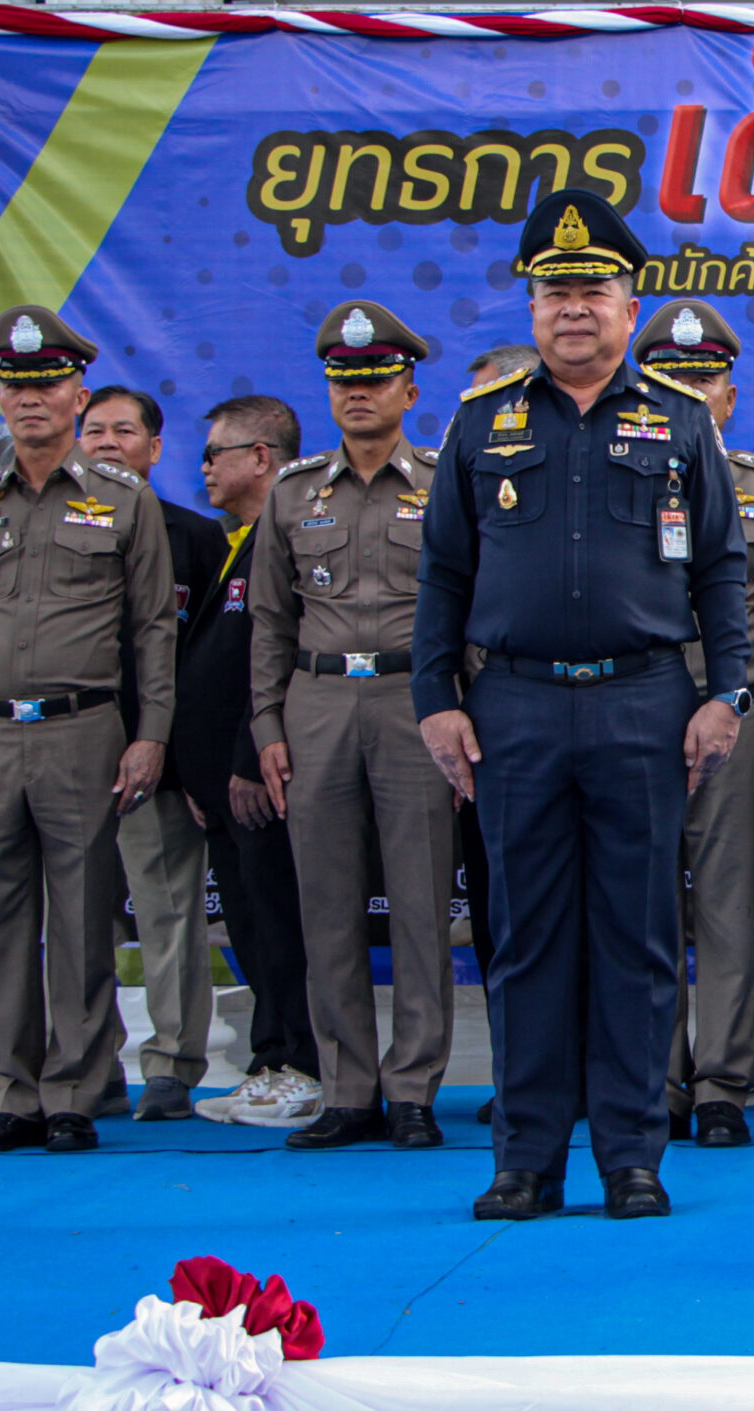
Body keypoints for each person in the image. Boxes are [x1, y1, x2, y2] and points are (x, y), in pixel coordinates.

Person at [414, 187, 749, 1222]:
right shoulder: (482, 423)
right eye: (555, 291)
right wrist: (434, 697)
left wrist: (726, 693)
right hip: (513, 707)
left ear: (628, 304)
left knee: (638, 941)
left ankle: (632, 1156)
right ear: (531, 308)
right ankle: (525, 1158)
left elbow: (722, 569)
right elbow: (442, 573)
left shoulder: (680, 421)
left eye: (594, 289)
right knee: (524, 941)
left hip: (644, 703)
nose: (574, 307)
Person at [0, 304, 176, 1153]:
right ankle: (13, 1093)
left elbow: (152, 630)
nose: (31, 399)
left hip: (83, 729)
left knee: (81, 916)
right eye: (16, 386)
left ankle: (76, 1089)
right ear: (0, 397)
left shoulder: (124, 501)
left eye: (48, 383)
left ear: (78, 396)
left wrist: (151, 732)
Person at [248, 302, 456, 1152]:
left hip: (414, 700)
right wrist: (267, 723)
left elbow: (472, 606)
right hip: (319, 700)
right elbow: (269, 619)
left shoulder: (446, 483)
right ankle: (347, 1089)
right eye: (344, 379)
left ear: (409, 389)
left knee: (420, 904)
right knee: (327, 905)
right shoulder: (293, 491)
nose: (358, 392)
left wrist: (460, 710)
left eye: (375, 378)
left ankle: (412, 1088)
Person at [634, 299, 754, 1149]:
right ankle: (658, 1080)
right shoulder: (604, 474)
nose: (690, 393)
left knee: (731, 909)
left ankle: (722, 1085)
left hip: (741, 718)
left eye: (704, 379)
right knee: (641, 909)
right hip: (631, 714)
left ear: (730, 395)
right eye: (671, 379)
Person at [78, 386, 224, 1123]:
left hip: (157, 763)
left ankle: (171, 1066)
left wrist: (186, 757)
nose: (107, 442)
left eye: (124, 431)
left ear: (155, 448)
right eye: (94, 430)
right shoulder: (49, 525)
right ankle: (88, 1066)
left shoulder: (194, 536)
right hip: (67, 756)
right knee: (76, 921)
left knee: (168, 917)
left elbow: (210, 657)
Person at [179, 394, 324, 1128]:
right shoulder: (237, 539)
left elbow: (268, 664)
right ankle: (270, 1061)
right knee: (251, 926)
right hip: (221, 782)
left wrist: (244, 758)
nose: (203, 467)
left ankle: (301, 1063)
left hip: (260, 776)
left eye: (215, 453)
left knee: (279, 926)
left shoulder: (287, 535)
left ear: (260, 457)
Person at [451, 343, 542, 1127]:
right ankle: (519, 1074)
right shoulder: (455, 485)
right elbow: (433, 599)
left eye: (503, 400)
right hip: (481, 726)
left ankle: (590, 1075)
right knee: (500, 913)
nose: (491, 418)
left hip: (569, 709)